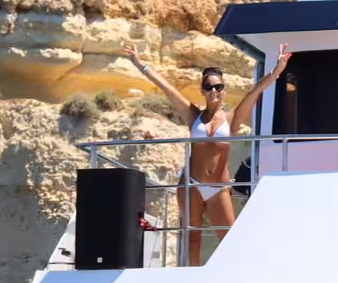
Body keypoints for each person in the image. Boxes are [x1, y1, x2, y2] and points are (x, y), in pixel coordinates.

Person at [122, 42, 290, 266]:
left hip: (218, 188)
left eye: (218, 87)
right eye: (209, 87)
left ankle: (235, 281)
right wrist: (138, 63)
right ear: (202, 90)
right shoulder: (193, 115)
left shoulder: (232, 118)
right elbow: (166, 87)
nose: (214, 91)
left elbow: (255, 91)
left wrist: (277, 71)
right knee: (192, 239)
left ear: (224, 90)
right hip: (191, 184)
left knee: (231, 241)